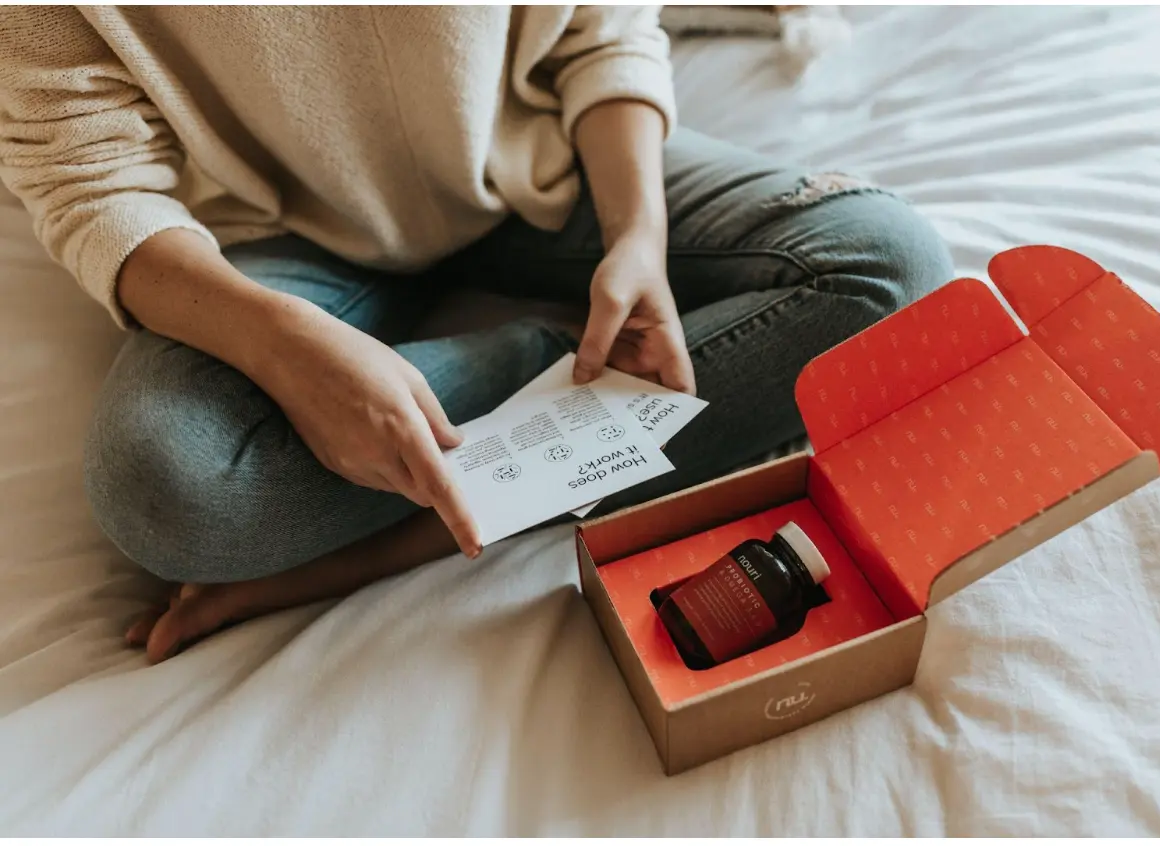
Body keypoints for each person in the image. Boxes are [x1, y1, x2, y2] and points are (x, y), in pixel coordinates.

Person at [0, 6, 952, 663]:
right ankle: (558, 369)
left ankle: (385, 541)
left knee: (892, 271)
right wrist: (286, 347)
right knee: (164, 492)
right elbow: (89, 182)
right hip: (265, 236)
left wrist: (638, 241)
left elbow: (602, 25)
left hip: (536, 162)